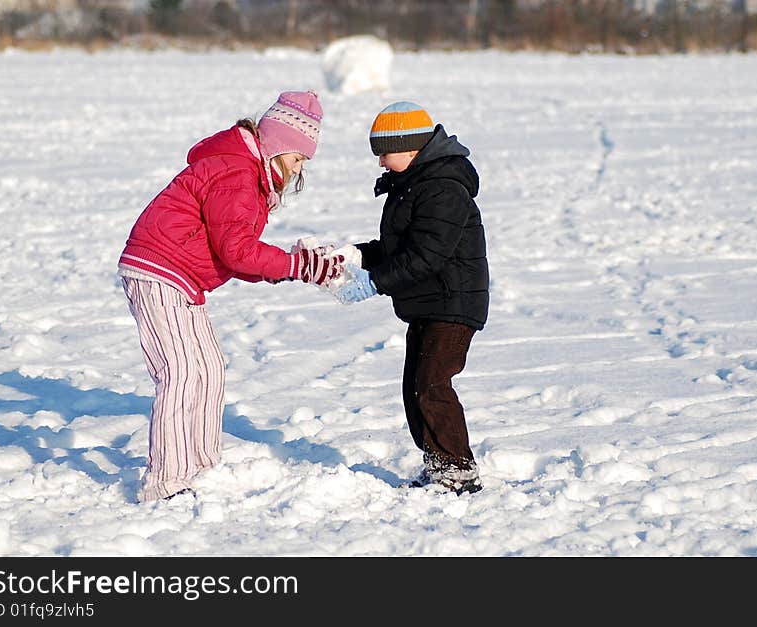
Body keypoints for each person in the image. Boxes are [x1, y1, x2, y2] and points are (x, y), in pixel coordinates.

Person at [118, 90, 342, 503]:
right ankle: (165, 483)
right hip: (158, 270)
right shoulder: (238, 175)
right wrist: (297, 266)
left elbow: (236, 254)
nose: (297, 171)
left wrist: (292, 269)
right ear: (278, 145)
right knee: (182, 373)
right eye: (297, 159)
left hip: (181, 278)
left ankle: (200, 466)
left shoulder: (248, 176)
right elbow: (237, 250)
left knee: (209, 370)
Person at [337, 101, 489, 495]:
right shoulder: (413, 184)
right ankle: (438, 463)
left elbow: (427, 255)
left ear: (409, 148)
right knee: (415, 388)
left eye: (384, 153)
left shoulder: (443, 189)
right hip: (428, 303)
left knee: (432, 385)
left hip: (452, 303)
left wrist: (373, 283)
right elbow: (400, 247)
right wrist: (355, 255)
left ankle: (457, 471)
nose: (381, 163)